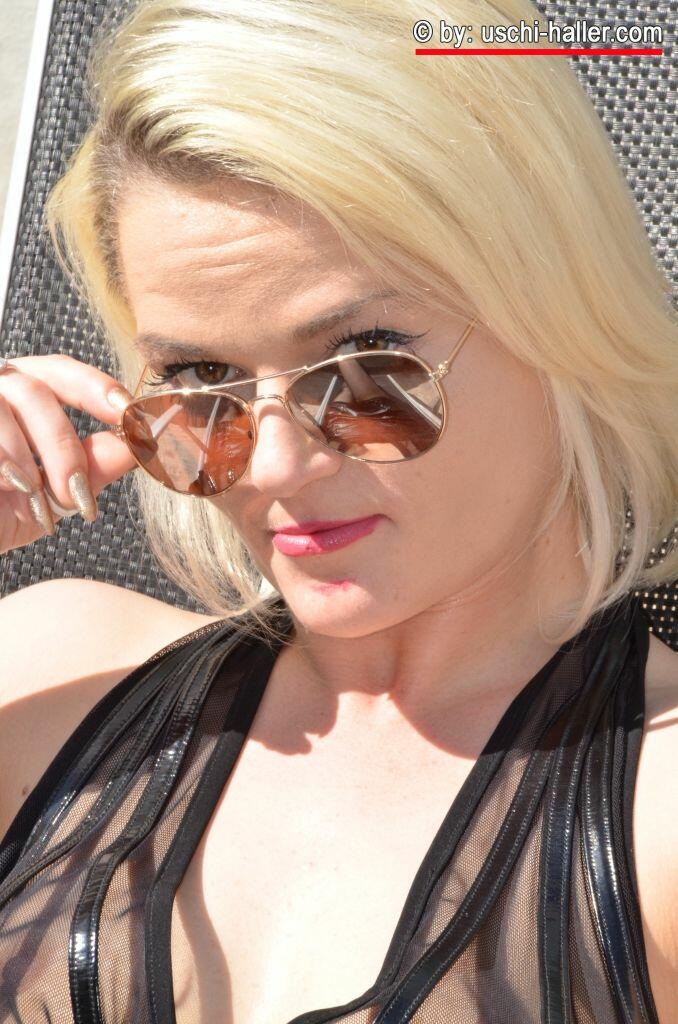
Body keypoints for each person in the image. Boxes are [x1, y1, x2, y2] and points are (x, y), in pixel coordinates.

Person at [0, 0, 676, 1021]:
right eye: (201, 380)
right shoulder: (50, 673)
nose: (274, 465)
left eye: (366, 366)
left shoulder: (657, 820)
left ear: (556, 310)